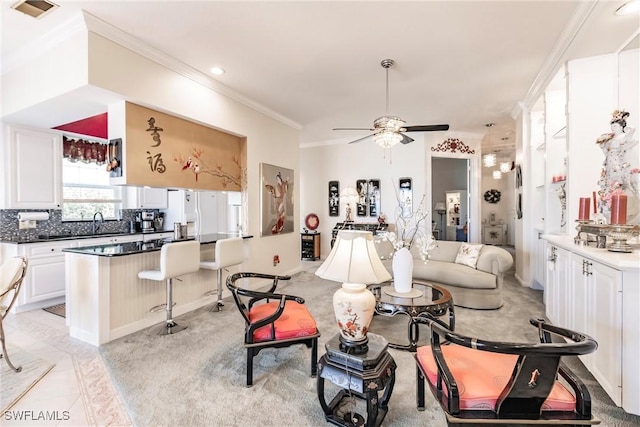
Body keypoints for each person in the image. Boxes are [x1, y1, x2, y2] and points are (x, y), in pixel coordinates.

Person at [596, 110, 638, 218]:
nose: (613, 128)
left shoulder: (623, 136)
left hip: (618, 161)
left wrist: (629, 130)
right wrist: (603, 147)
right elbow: (606, 153)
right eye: (612, 126)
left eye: (615, 126)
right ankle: (609, 197)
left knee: (618, 179)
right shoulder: (609, 139)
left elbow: (629, 139)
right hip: (609, 161)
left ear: (621, 126)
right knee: (609, 180)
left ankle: (618, 194)